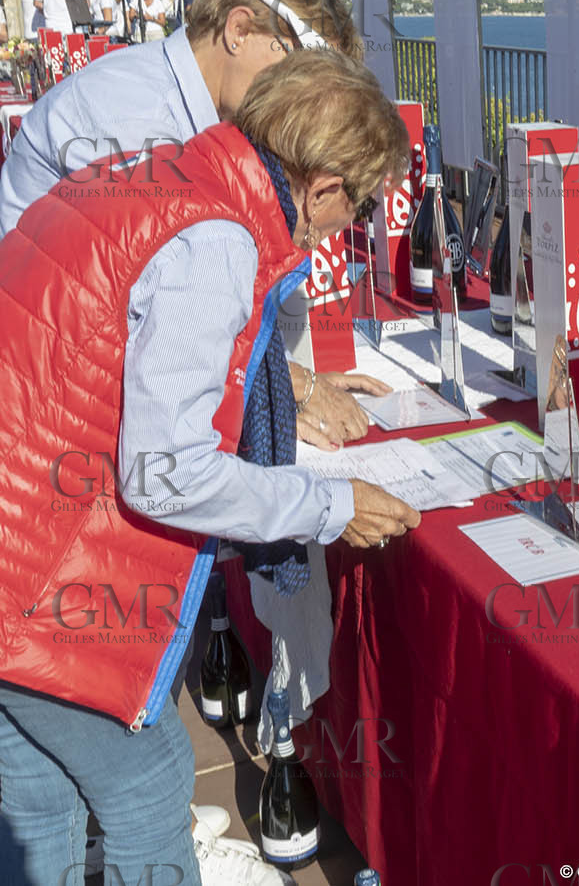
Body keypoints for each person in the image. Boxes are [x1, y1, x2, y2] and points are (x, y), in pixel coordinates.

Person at [0, 49, 422, 886]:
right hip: (38, 572)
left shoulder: (161, 171)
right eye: (363, 204)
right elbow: (165, 471)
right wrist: (329, 505)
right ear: (323, 186)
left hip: (24, 524)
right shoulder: (216, 239)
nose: (352, 225)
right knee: (149, 787)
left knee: (38, 805)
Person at [0, 0, 371, 449]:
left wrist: (283, 383)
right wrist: (291, 389)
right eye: (302, 72)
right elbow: (166, 339)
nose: (305, 102)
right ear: (239, 30)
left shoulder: (178, 103)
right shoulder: (137, 123)